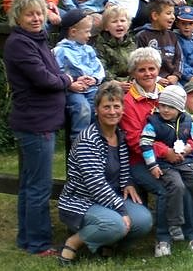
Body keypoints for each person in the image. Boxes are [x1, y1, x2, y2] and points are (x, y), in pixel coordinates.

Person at [3, 0, 72, 256]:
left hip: (41, 120)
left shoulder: (36, 39)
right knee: (39, 187)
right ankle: (39, 243)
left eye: (39, 13)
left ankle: (26, 239)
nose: (35, 18)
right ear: (17, 17)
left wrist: (60, 78)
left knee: (30, 184)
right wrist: (66, 80)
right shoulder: (20, 44)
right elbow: (46, 79)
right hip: (35, 122)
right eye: (29, 14)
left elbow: (52, 73)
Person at [120, 47, 193, 257]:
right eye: (141, 70)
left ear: (158, 69)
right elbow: (134, 139)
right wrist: (165, 151)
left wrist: (187, 147)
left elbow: (186, 124)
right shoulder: (129, 101)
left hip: (176, 157)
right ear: (133, 73)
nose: (148, 73)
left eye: (152, 68)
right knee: (168, 188)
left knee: (191, 181)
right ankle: (163, 238)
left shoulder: (168, 92)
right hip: (142, 161)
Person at [57, 83, 153, 265]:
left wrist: (127, 182)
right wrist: (122, 210)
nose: (112, 112)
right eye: (106, 107)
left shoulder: (120, 135)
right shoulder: (88, 139)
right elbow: (96, 184)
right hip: (82, 200)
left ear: (123, 109)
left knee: (144, 220)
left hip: (109, 198)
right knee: (116, 224)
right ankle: (73, 243)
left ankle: (108, 243)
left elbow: (123, 168)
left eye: (116, 106)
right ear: (96, 110)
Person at [140, 84, 193, 252]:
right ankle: (174, 224)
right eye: (162, 105)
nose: (165, 110)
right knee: (177, 186)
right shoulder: (153, 123)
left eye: (170, 107)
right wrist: (152, 165)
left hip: (184, 162)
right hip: (164, 165)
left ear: (179, 108)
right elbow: (145, 144)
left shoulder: (187, 121)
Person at [54, 10, 106, 140]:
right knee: (83, 109)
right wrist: (70, 84)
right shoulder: (60, 51)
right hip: (73, 91)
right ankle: (78, 142)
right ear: (73, 32)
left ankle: (96, 139)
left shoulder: (88, 49)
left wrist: (94, 79)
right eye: (87, 31)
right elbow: (56, 72)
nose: (90, 35)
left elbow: (98, 68)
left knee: (99, 106)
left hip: (91, 89)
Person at [134, 0, 183, 85]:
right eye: (168, 13)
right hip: (150, 80)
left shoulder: (172, 36)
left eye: (173, 13)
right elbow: (138, 62)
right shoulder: (142, 36)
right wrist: (156, 79)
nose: (173, 17)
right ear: (155, 16)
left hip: (171, 81)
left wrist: (176, 75)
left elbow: (179, 59)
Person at [95, 5, 136, 92]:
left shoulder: (133, 41)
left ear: (128, 25)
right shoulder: (101, 44)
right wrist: (115, 83)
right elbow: (101, 68)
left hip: (133, 82)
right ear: (106, 27)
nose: (119, 24)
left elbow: (138, 64)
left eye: (122, 21)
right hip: (111, 85)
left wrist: (134, 80)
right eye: (114, 21)